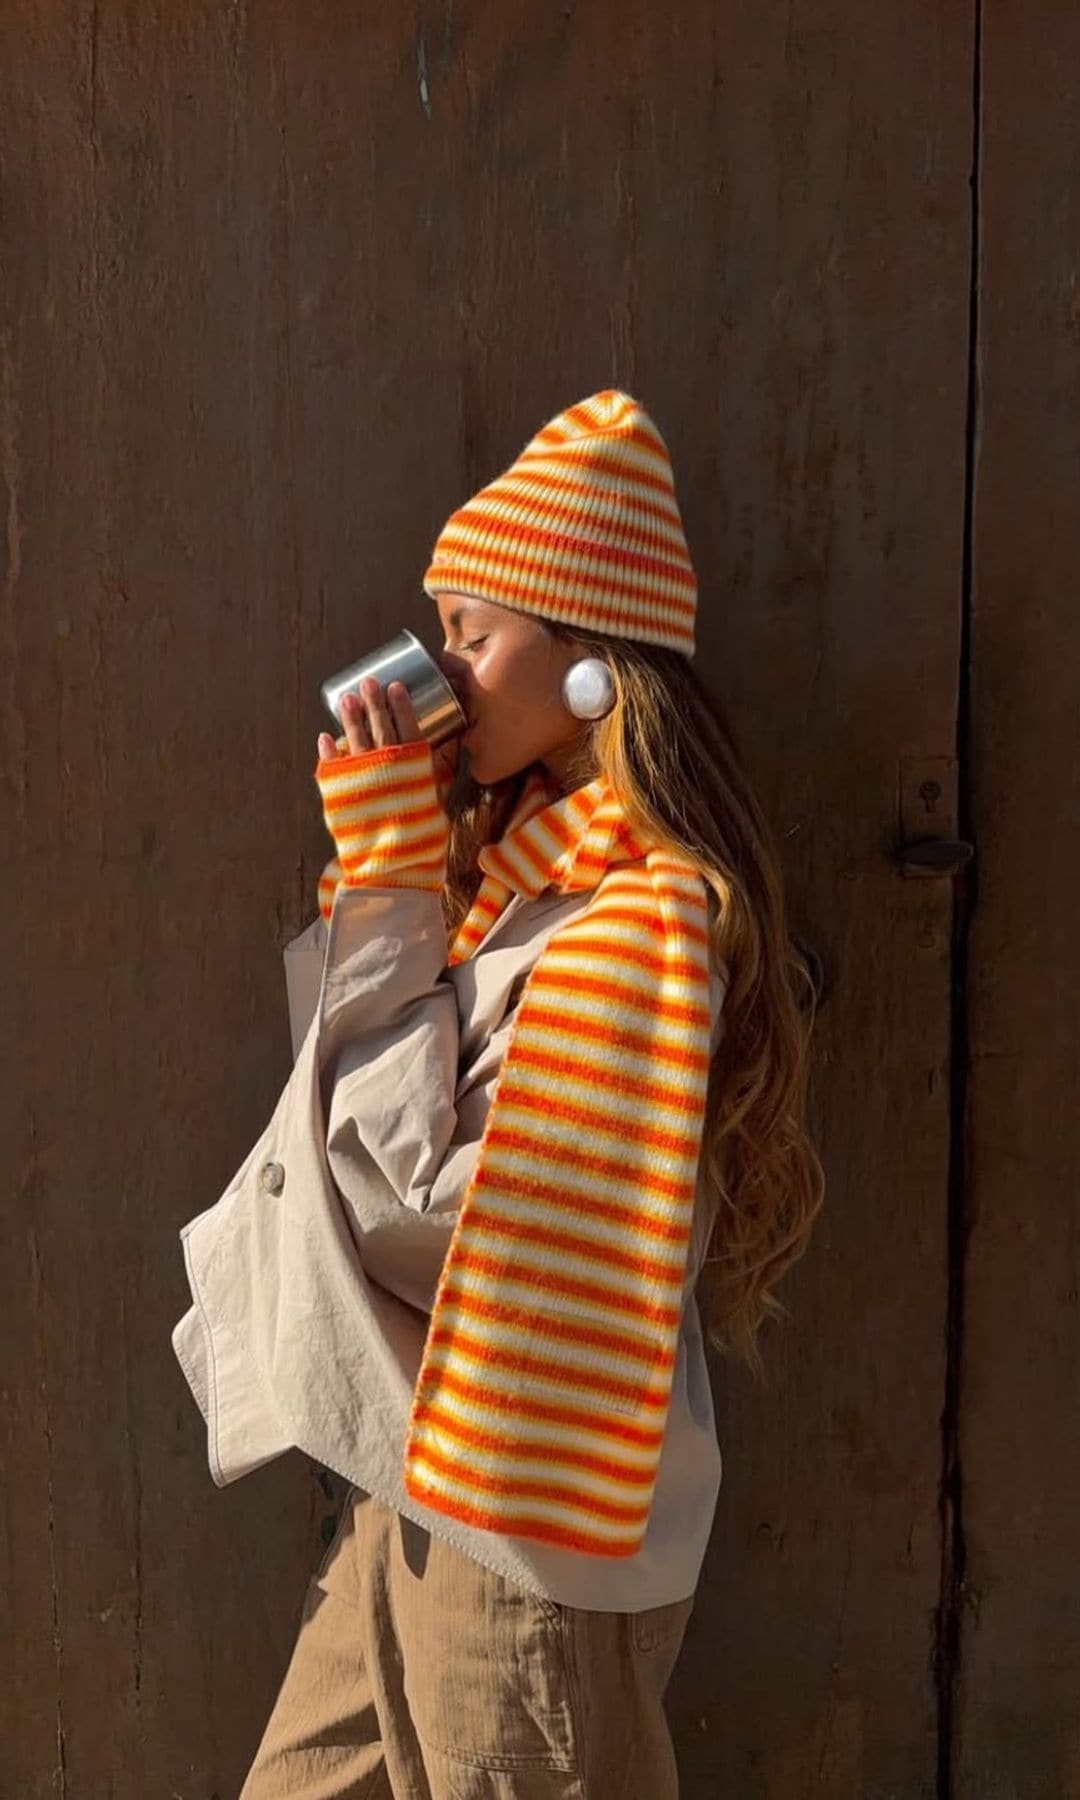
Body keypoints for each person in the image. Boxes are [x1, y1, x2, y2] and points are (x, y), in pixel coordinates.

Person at [172, 388, 825, 1798]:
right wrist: (414, 877)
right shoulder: (528, 890)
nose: (442, 668)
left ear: (588, 657)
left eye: (472, 633)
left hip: (523, 1537)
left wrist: (400, 882)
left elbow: (428, 1210)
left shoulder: (641, 926)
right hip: (423, 1490)